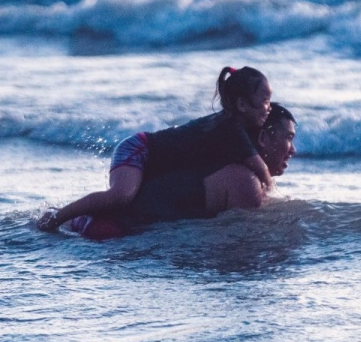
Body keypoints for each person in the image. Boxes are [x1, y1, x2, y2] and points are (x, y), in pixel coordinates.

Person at [37, 66, 273, 232]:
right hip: (139, 150)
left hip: (150, 159)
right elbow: (260, 169)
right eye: (265, 101)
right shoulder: (231, 128)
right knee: (121, 196)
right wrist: (275, 196)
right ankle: (57, 217)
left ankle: (76, 217)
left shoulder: (228, 126)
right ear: (242, 104)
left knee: (128, 201)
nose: (269, 108)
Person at [68, 103, 296, 239]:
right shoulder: (244, 181)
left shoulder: (222, 161)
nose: (293, 150)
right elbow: (236, 242)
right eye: (289, 138)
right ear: (264, 138)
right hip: (110, 234)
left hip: (93, 223)